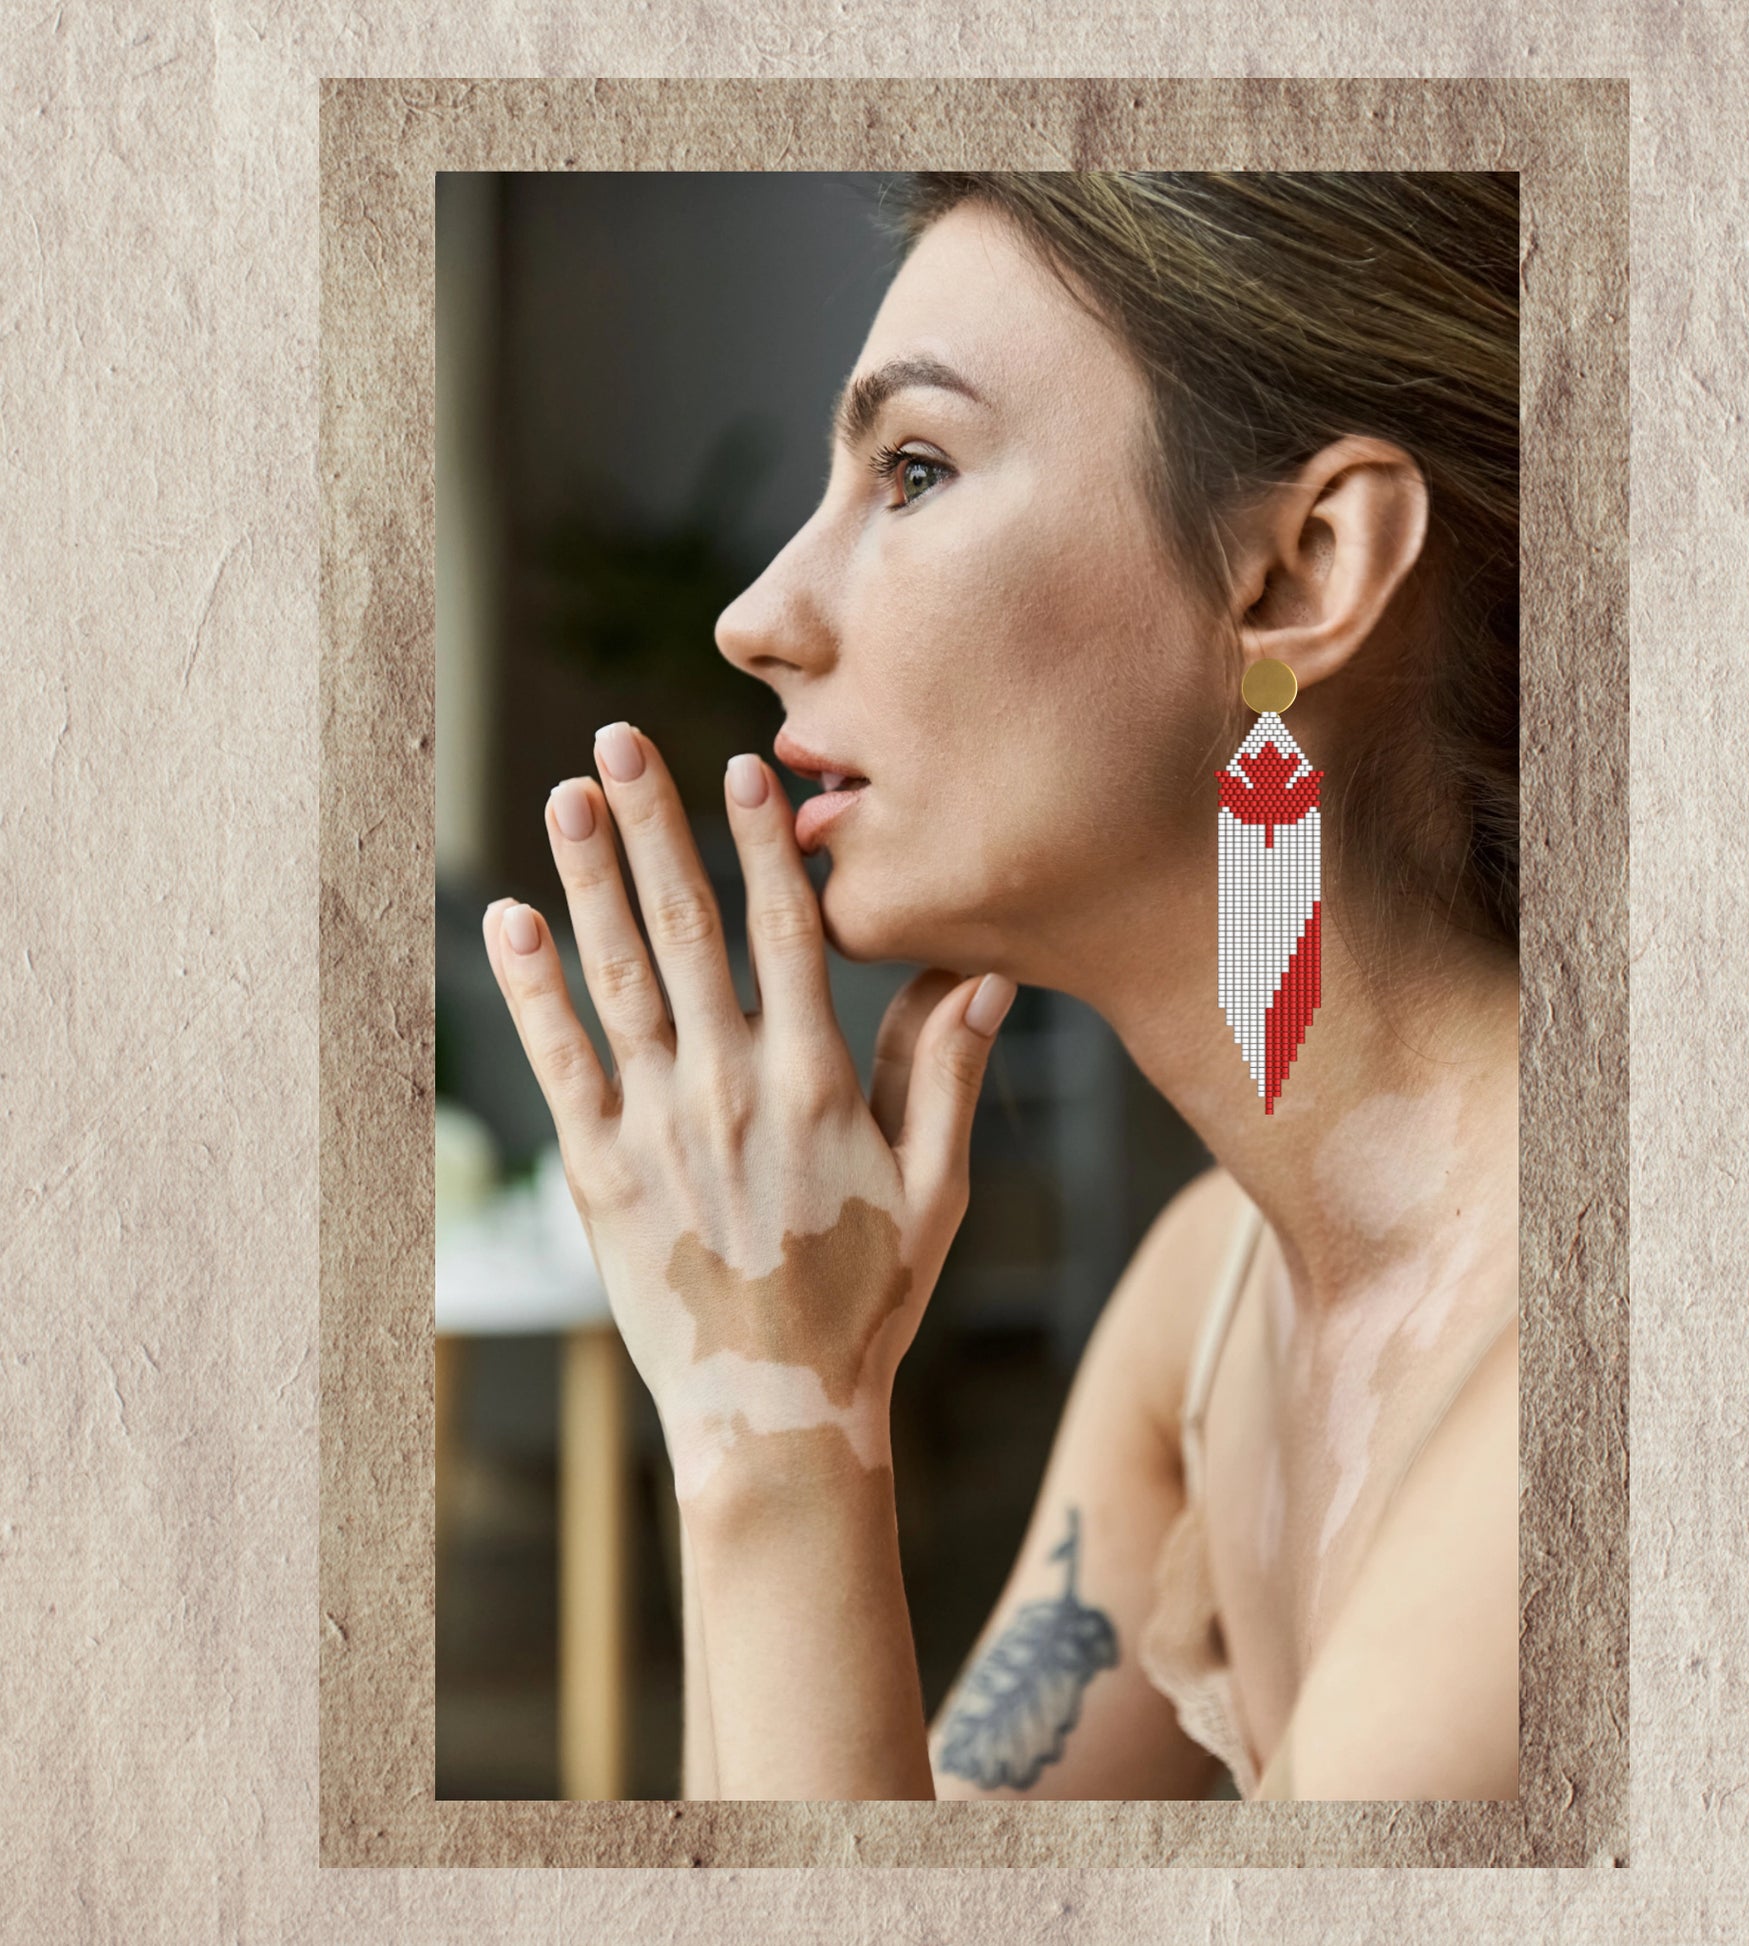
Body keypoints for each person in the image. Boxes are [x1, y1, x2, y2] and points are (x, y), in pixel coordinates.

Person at [482, 171, 1520, 1801]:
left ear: (1298, 574)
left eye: (912, 469)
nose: (754, 618)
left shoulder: (1591, 1402)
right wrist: (760, 1401)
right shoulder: (1207, 1303)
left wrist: (782, 1442)